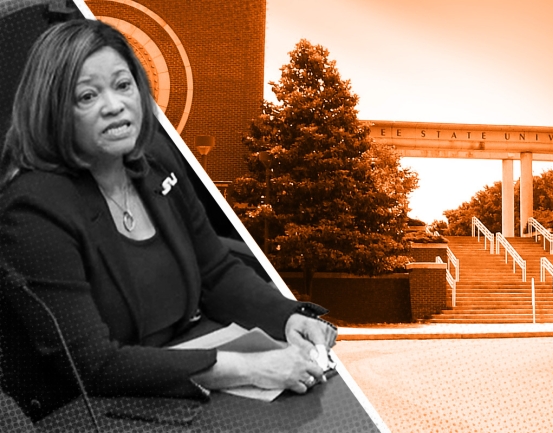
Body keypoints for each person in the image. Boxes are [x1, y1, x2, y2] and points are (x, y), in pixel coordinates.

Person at [0, 19, 337, 422]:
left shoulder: (154, 159)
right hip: (101, 406)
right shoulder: (33, 210)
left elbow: (213, 270)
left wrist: (286, 317)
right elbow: (93, 365)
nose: (114, 105)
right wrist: (247, 368)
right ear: (54, 111)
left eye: (123, 86)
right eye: (87, 96)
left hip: (192, 358)